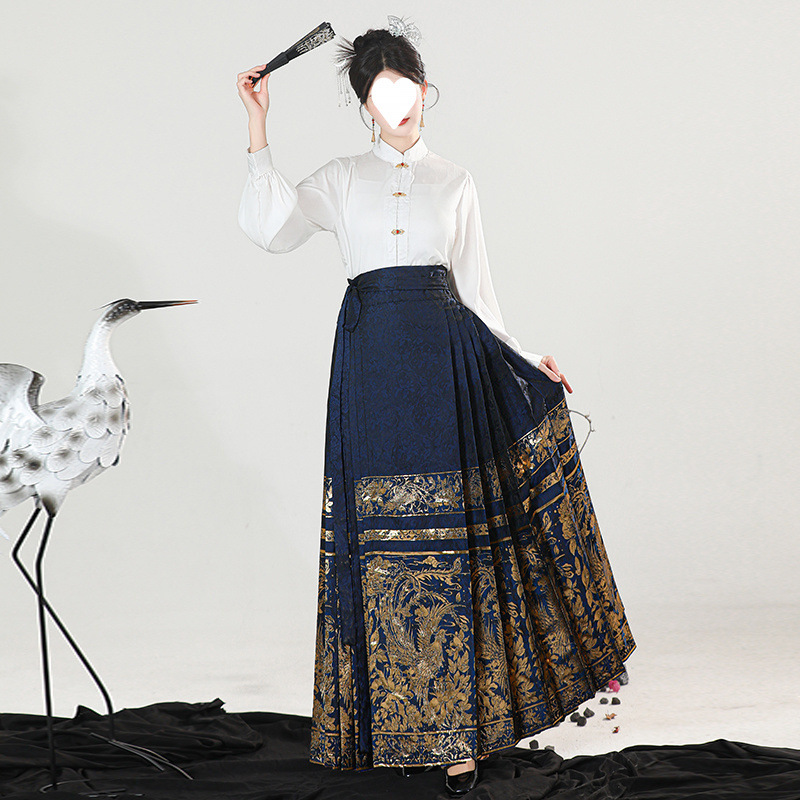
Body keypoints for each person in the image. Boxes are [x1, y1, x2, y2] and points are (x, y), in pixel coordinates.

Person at [236, 18, 636, 796]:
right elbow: (270, 231)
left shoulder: (455, 181)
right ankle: (387, 727)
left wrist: (526, 359)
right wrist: (258, 128)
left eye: (407, 88)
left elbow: (478, 295)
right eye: (381, 93)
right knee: (380, 546)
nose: (398, 105)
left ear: (424, 91)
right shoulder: (339, 179)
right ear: (366, 105)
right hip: (370, 369)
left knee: (447, 549)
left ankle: (459, 739)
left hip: (444, 367)